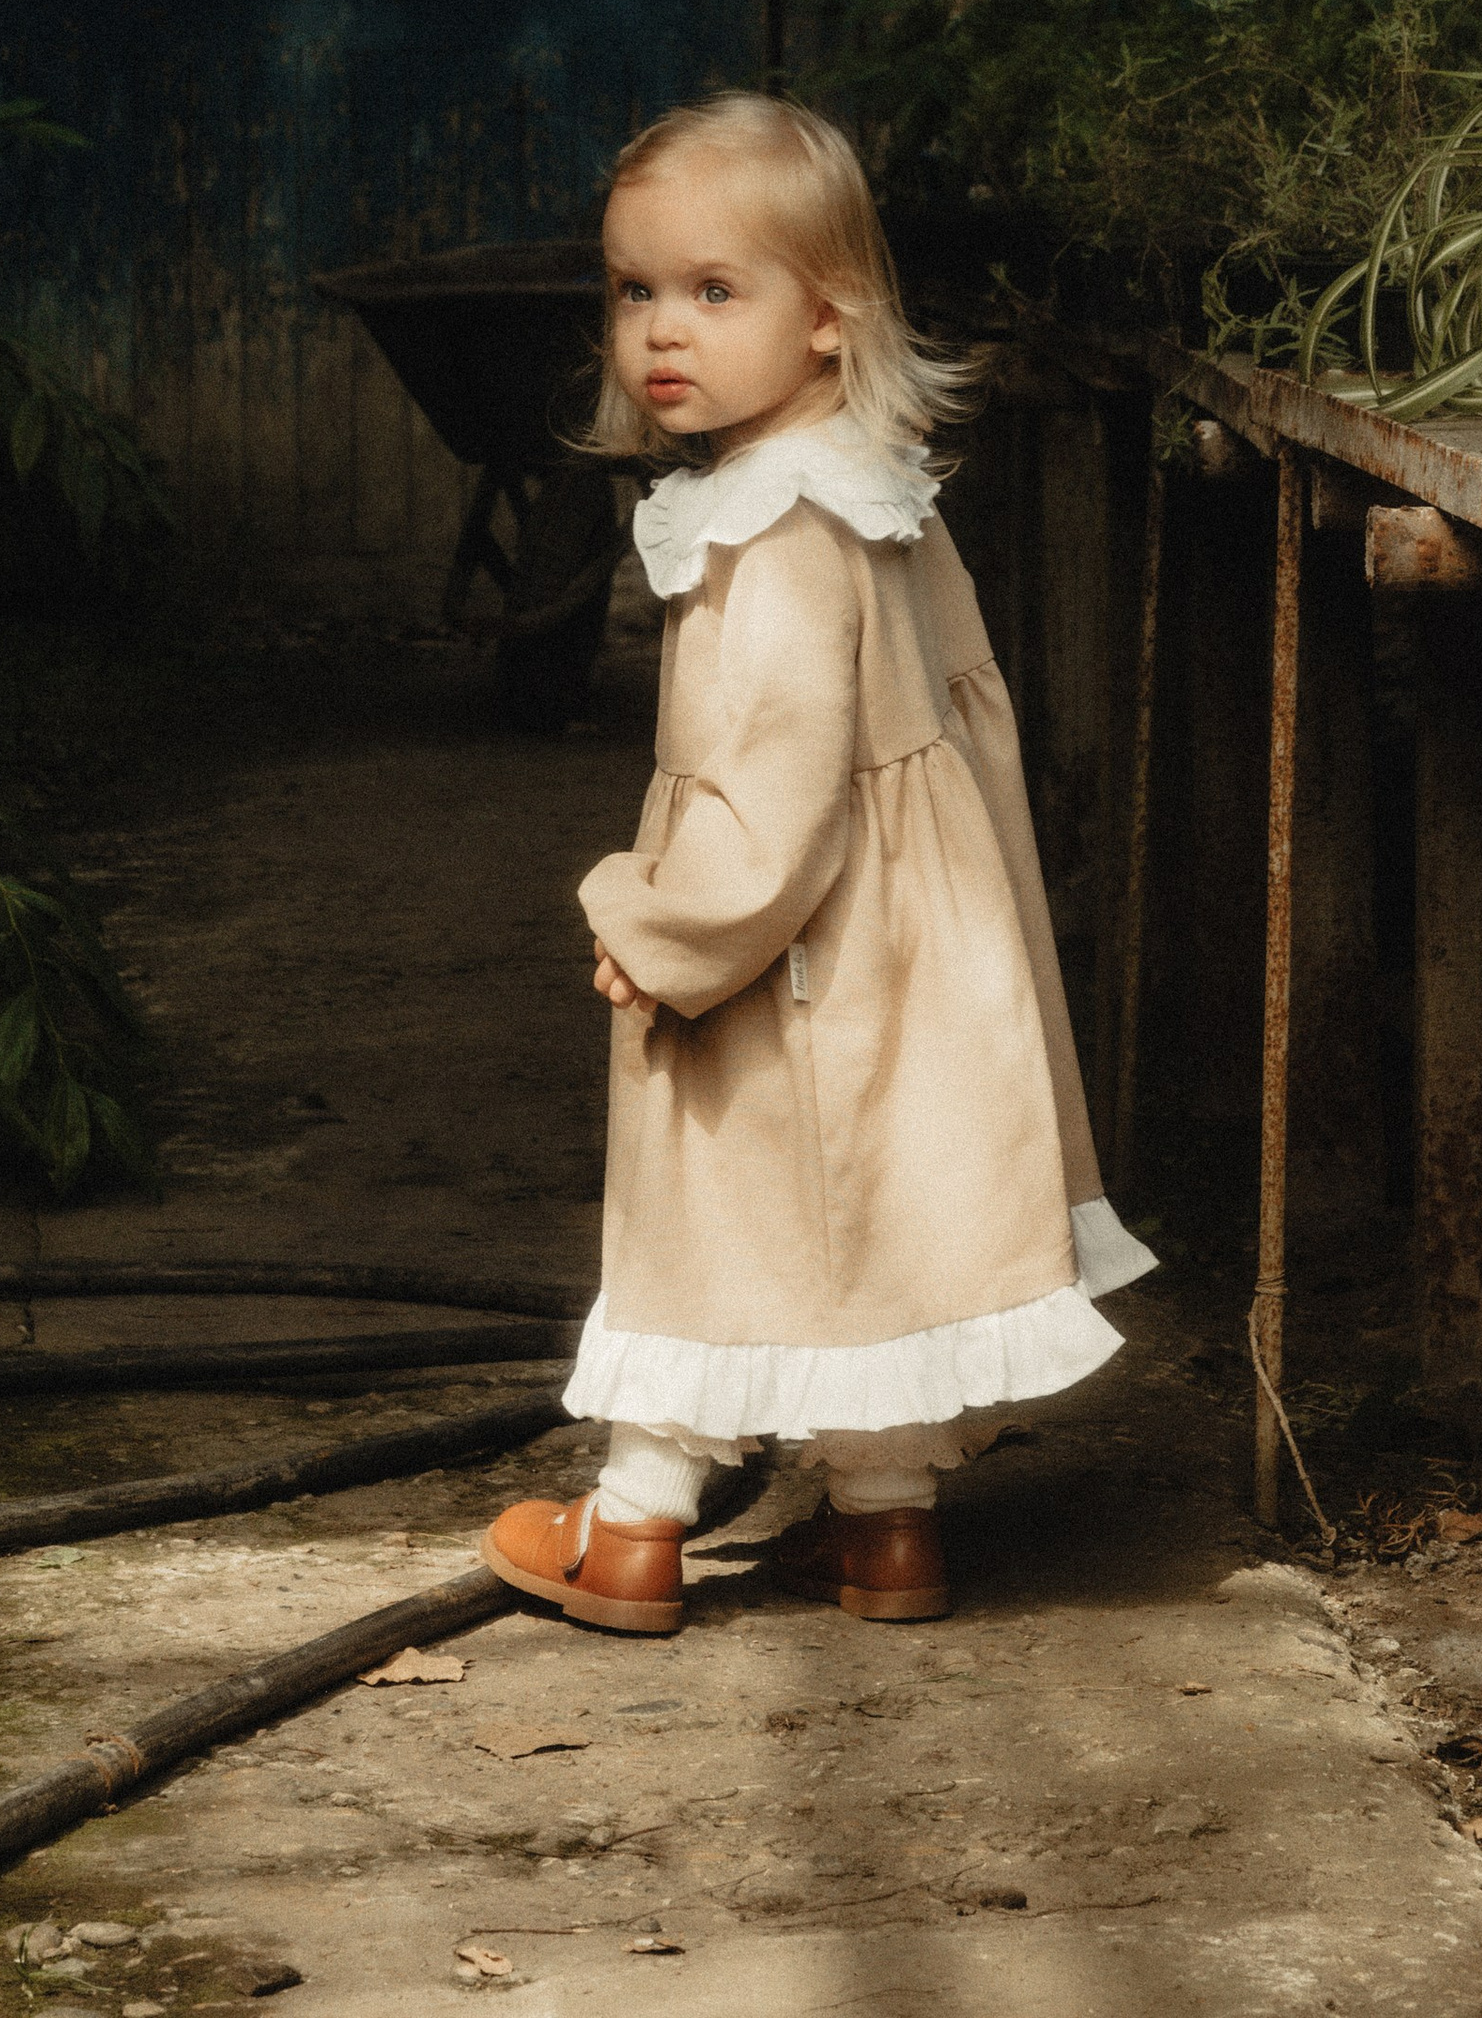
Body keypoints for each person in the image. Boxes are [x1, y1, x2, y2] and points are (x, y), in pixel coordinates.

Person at [480, 92, 1154, 1638]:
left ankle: (634, 1529)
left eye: (717, 293)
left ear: (830, 322)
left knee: (712, 1219)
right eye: (637, 288)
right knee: (876, 1232)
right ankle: (885, 1530)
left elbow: (769, 802)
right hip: (903, 947)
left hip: (784, 954)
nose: (664, 331)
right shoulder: (872, 490)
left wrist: (656, 926)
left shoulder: (770, 534)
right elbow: (957, 730)